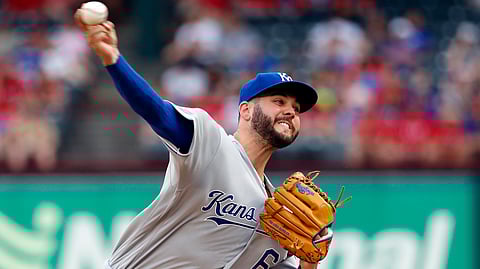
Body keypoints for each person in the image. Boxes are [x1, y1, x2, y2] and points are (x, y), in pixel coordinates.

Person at [74, 8, 321, 269]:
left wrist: (309, 262)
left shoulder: (279, 216)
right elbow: (156, 111)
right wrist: (114, 60)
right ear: (245, 110)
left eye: (296, 108)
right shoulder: (213, 146)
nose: (290, 112)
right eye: (278, 101)